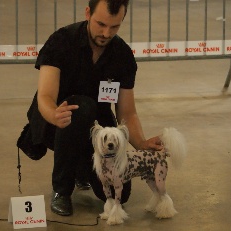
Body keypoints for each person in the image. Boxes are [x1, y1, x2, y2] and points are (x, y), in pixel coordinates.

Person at [28, 0, 163, 216]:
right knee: (82, 107)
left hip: (97, 127)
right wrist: (53, 114)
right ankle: (61, 190)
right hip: (57, 121)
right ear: (87, 12)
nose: (106, 33)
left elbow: (127, 113)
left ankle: (83, 165)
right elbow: (45, 95)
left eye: (115, 26)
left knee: (121, 194)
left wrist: (142, 143)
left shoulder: (122, 55)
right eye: (101, 24)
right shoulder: (61, 41)